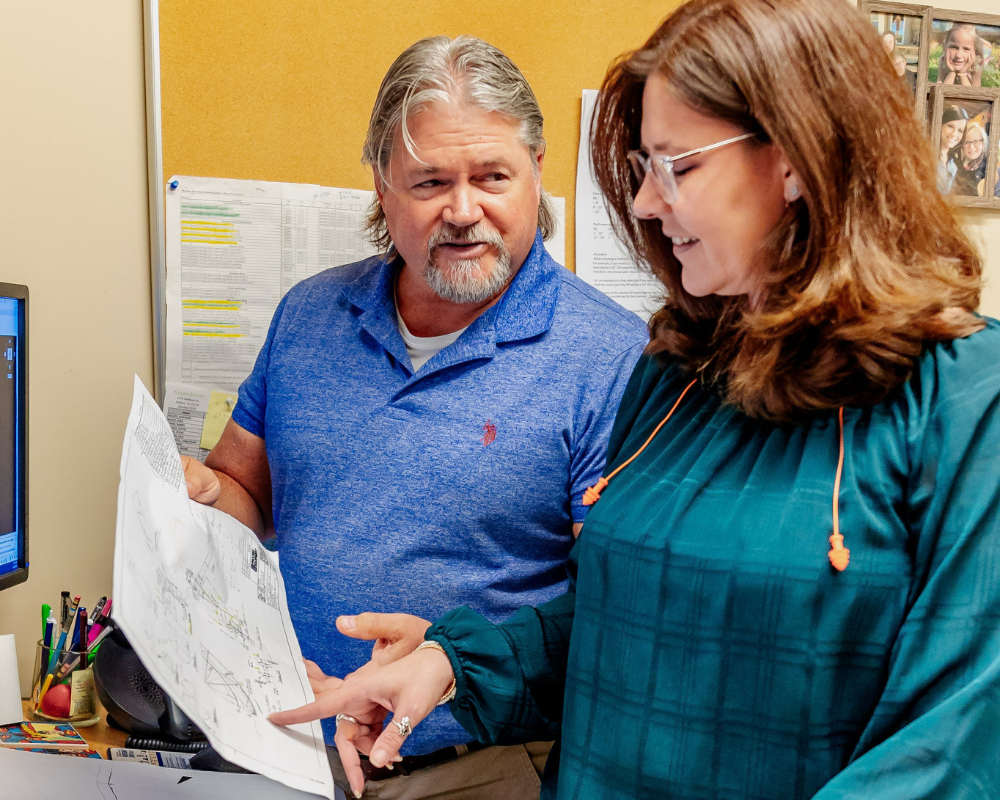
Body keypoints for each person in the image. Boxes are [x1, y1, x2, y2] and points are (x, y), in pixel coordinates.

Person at [270, 1, 1000, 799]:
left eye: (678, 166)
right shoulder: (676, 372)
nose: (647, 204)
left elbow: (956, 744)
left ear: (798, 161)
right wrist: (453, 662)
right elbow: (618, 621)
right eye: (644, 168)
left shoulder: (964, 394)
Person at [181, 34, 647, 800]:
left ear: (537, 173)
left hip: (477, 769)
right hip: (288, 748)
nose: (465, 211)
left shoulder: (612, 359)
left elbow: (615, 607)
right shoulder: (308, 315)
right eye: (430, 181)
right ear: (381, 187)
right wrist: (205, 495)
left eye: (493, 176)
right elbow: (249, 495)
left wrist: (455, 665)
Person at [937, 104, 968, 193]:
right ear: (941, 125)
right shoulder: (928, 155)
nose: (954, 134)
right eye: (950, 126)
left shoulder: (954, 164)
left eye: (960, 130)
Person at [953, 121, 989, 196]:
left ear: (983, 143)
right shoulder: (955, 166)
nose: (971, 147)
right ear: (962, 146)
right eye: (967, 142)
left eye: (976, 141)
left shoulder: (989, 167)